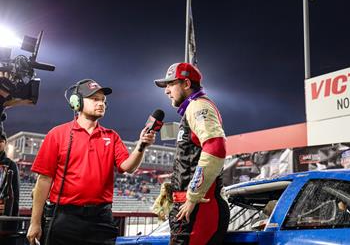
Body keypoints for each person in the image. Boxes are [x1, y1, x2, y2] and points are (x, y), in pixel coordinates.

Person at [26, 79, 156, 245]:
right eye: (95, 99)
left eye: (103, 100)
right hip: (64, 217)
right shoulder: (57, 134)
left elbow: (128, 167)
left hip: (101, 219)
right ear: (77, 102)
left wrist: (141, 146)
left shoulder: (112, 136)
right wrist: (35, 222)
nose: (101, 103)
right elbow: (44, 180)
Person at [154, 63, 230, 245]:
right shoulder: (193, 108)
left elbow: (216, 147)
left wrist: (192, 195)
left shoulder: (198, 106)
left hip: (200, 206)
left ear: (186, 84)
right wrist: (176, 189)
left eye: (171, 84)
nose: (166, 91)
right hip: (196, 206)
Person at [0, 132, 20, 245]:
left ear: (5, 143)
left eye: (1, 141)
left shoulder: (11, 165)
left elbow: (15, 194)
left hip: (3, 216)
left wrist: (13, 221)